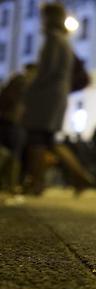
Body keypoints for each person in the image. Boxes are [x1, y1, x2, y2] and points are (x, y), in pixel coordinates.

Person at [22, 3, 93, 195]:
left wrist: (29, 89)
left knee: (37, 138)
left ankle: (36, 183)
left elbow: (47, 71)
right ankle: (80, 176)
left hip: (46, 96)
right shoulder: (64, 41)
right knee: (49, 139)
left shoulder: (53, 39)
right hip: (57, 96)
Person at [0, 64, 36, 195]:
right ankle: (11, 184)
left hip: (6, 119)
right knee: (15, 154)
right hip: (17, 121)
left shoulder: (14, 80)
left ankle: (8, 184)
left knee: (7, 152)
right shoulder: (27, 83)